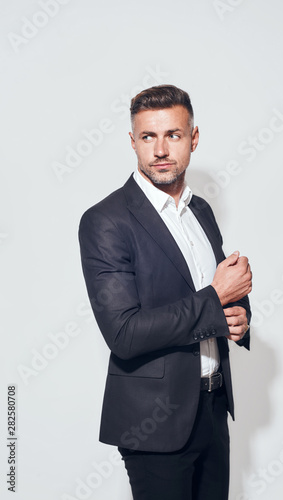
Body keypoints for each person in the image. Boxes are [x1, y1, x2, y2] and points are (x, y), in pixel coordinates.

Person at [78, 84, 252, 500]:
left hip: (212, 409)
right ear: (133, 142)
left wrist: (240, 313)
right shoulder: (106, 221)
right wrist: (216, 298)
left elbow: (217, 292)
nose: (160, 149)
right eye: (147, 137)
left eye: (172, 135)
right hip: (153, 423)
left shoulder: (201, 211)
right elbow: (124, 333)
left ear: (193, 139)